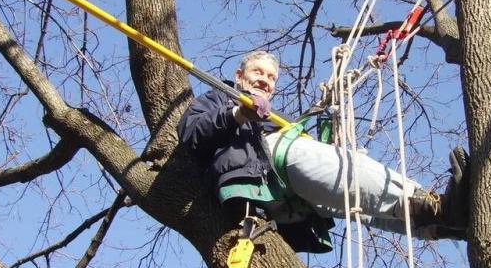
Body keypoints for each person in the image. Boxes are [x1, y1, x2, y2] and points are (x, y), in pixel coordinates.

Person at [177, 50, 469, 253]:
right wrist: (238, 113)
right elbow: (191, 134)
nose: (265, 80)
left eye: (271, 77)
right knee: (342, 165)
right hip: (256, 178)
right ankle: (440, 206)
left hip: (287, 199)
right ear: (239, 76)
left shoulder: (273, 118)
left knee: (362, 206)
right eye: (257, 72)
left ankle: (444, 224)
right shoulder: (220, 96)